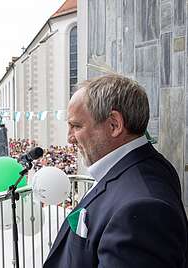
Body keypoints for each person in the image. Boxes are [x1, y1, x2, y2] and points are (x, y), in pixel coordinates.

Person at [43, 74, 188, 268]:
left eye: (76, 126)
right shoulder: (149, 164)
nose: (69, 138)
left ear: (114, 124)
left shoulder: (142, 208)